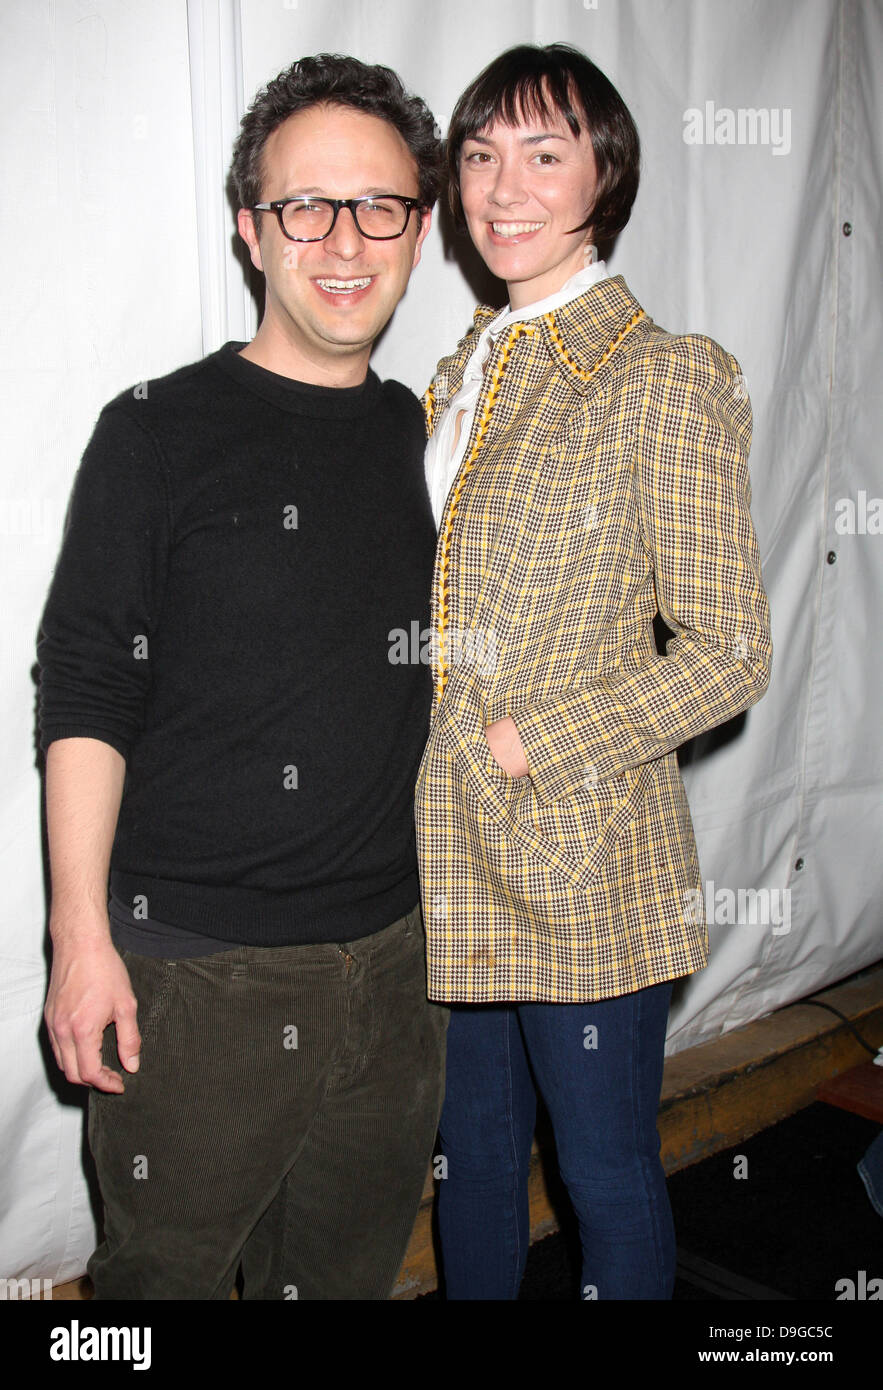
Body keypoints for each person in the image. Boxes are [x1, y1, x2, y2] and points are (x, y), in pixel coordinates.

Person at [38, 53, 448, 1301]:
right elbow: (88, 690)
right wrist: (78, 936)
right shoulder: (154, 429)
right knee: (145, 1300)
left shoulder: (426, 440)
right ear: (249, 228)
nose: (342, 239)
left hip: (397, 970)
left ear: (418, 229)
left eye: (377, 205)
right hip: (197, 982)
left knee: (341, 1284)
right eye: (302, 206)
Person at [417, 43, 772, 1299]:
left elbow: (731, 649)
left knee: (606, 1175)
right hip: (449, 857)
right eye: (479, 154)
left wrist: (533, 743)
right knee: (470, 1162)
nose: (504, 186)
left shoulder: (658, 375)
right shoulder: (456, 375)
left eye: (544, 151)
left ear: (601, 176)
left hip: (582, 862)